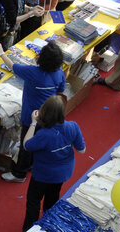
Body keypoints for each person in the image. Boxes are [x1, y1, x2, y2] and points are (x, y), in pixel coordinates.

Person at [0, 40, 65, 182]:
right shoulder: (59, 72)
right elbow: (60, 90)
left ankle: (19, 174)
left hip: (31, 116)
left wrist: (1, 51)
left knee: (27, 145)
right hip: (49, 114)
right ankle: (33, 164)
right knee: (40, 141)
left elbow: (12, 65)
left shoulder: (33, 72)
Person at [22, 96, 86, 230]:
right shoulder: (73, 126)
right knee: (52, 200)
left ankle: (30, 228)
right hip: (62, 174)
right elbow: (82, 150)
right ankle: (48, 225)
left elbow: (27, 145)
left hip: (42, 175)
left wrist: (33, 123)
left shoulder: (44, 134)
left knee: (34, 202)